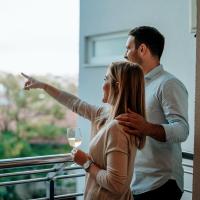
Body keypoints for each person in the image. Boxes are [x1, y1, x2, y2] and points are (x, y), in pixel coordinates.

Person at [21, 61, 146, 200]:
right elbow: (74, 103)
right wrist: (43, 86)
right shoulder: (104, 115)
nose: (102, 84)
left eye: (106, 79)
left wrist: (86, 163)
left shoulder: (117, 127)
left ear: (117, 87)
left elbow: (116, 184)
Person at [115, 26, 189, 200]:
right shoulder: (137, 86)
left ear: (142, 49)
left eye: (128, 48)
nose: (124, 54)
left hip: (161, 184)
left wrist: (146, 127)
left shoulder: (168, 84)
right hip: (136, 183)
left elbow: (182, 130)